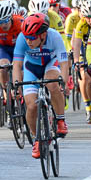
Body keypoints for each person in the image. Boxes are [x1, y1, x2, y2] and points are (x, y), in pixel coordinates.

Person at [12, 13, 69, 158]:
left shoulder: (54, 37)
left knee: (52, 84)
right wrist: (16, 85)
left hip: (51, 64)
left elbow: (63, 62)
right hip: (31, 68)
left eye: (32, 38)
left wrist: (64, 80)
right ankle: (37, 139)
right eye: (26, 37)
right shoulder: (22, 39)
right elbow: (17, 65)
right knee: (31, 106)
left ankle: (60, 120)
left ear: (43, 35)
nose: (28, 41)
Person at [0, 0, 23, 112]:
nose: (4, 24)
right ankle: (6, 94)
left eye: (6, 20)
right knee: (2, 67)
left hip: (19, 48)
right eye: (0, 21)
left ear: (11, 16)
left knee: (22, 70)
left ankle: (21, 94)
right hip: (4, 49)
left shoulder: (20, 22)